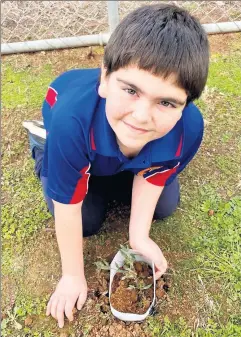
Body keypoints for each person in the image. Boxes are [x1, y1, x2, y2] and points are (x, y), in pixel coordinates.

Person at [23, 3, 209, 328]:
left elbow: (157, 174)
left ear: (185, 106)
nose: (141, 116)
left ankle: (111, 166)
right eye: (131, 90)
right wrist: (72, 275)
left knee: (165, 205)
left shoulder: (189, 127)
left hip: (109, 149)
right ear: (106, 79)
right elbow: (68, 207)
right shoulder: (72, 122)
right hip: (68, 125)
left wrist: (139, 237)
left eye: (166, 102)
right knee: (87, 220)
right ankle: (42, 147)